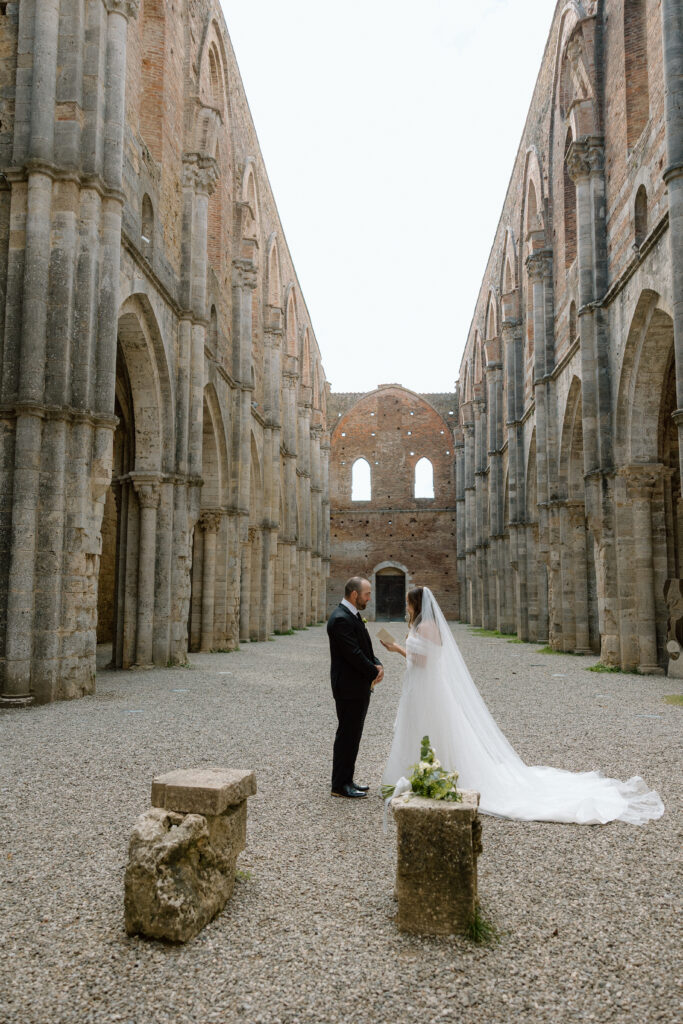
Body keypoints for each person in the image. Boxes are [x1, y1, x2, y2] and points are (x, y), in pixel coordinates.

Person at [380, 585, 664, 825]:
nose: (406, 607)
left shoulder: (427, 626)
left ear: (416, 604)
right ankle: (424, 772)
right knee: (424, 727)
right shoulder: (424, 625)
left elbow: (424, 661)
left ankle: (439, 772)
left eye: (408, 603)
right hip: (421, 687)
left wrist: (399, 649)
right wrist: (400, 649)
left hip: (427, 688)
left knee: (434, 726)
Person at [327, 577, 384, 798]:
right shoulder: (340, 619)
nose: (369, 598)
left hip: (357, 686)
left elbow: (364, 647)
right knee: (347, 735)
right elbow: (353, 654)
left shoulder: (351, 615)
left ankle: (347, 780)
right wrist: (374, 671)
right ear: (354, 595)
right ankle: (339, 785)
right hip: (349, 688)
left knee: (353, 735)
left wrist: (376, 662)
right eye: (367, 594)